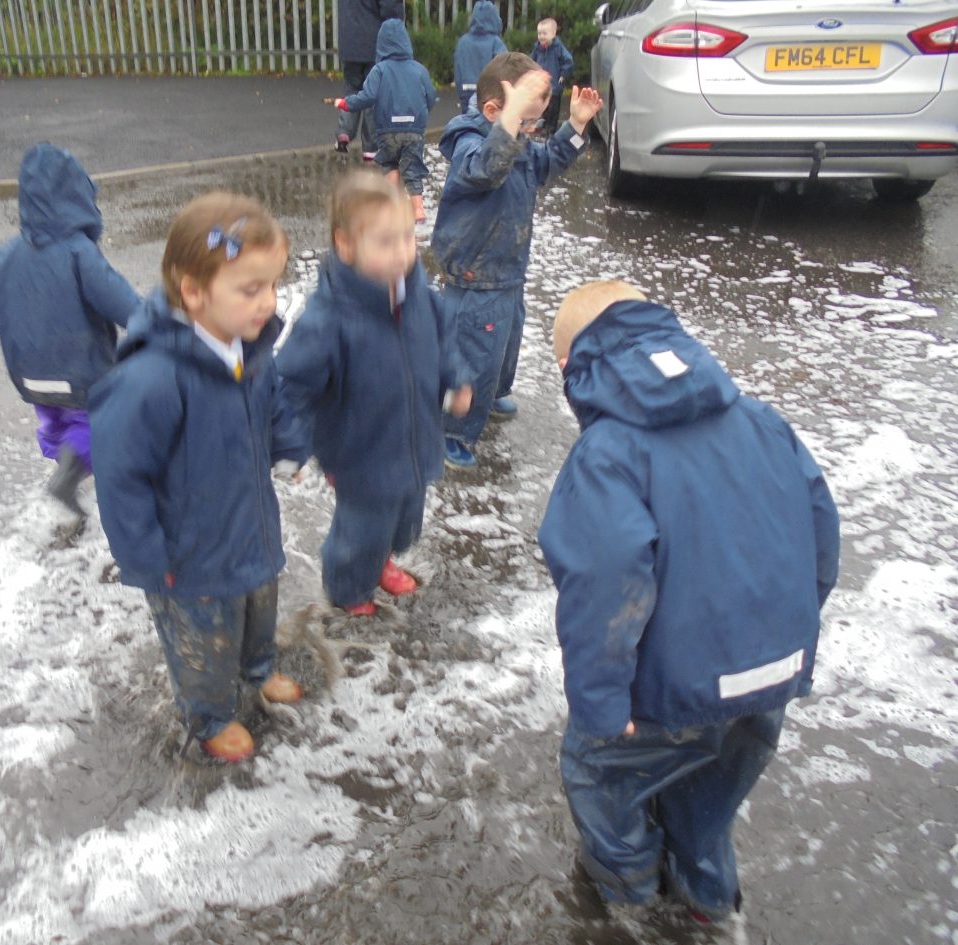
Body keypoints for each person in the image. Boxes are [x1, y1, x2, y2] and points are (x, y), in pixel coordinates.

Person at [537, 280, 841, 923]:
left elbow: (607, 586)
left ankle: (629, 902)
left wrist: (602, 703)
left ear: (569, 366)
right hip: (770, 679)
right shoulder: (764, 422)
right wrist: (790, 634)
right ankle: (706, 901)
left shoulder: (607, 454)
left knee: (600, 774)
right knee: (710, 802)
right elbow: (821, 536)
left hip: (672, 692)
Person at [88, 193, 308, 763]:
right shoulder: (152, 379)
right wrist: (144, 556)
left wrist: (289, 445)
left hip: (250, 526)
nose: (269, 302)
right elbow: (120, 474)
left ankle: (257, 668)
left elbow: (274, 399)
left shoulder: (249, 348)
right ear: (193, 291)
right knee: (202, 640)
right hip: (187, 557)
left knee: (258, 608)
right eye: (250, 289)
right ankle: (209, 714)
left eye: (273, 285)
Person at [276, 170, 472, 616]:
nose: (402, 251)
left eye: (407, 237)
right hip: (359, 455)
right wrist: (289, 446)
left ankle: (380, 559)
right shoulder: (328, 319)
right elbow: (293, 386)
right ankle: (348, 586)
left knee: (404, 520)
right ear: (346, 246)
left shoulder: (418, 295)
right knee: (362, 529)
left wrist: (455, 378)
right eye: (385, 242)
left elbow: (443, 339)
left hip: (414, 440)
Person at [431, 52, 601, 468]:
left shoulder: (517, 141)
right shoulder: (471, 145)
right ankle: (453, 429)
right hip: (476, 276)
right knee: (475, 355)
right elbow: (487, 168)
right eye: (526, 122)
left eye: (534, 124)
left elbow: (546, 163)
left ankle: (491, 394)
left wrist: (576, 125)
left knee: (505, 346)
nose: (530, 132)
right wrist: (512, 122)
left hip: (506, 270)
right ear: (494, 112)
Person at [0, 142, 141, 516]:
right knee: (98, 421)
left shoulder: (6, 254)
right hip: (81, 372)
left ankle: (64, 475)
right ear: (79, 197)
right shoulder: (78, 252)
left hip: (29, 374)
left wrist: (16, 326)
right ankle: (70, 473)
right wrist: (155, 322)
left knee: (54, 418)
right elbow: (122, 303)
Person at [335, 20, 439, 222]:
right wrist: (422, 113)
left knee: (390, 164)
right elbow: (431, 96)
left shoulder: (379, 70)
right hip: (414, 130)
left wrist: (346, 104)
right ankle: (418, 209)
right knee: (413, 169)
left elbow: (367, 96)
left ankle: (391, 205)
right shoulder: (419, 70)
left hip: (387, 130)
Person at [334, 0, 405, 157]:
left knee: (351, 88)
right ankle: (370, 147)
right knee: (373, 96)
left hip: (349, 42)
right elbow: (391, 9)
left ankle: (344, 132)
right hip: (374, 44)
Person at [453, 1, 507, 114]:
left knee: (468, 121)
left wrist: (461, 91)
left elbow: (458, 70)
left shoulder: (463, 41)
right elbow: (504, 67)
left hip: (466, 90)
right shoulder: (496, 42)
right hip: (489, 93)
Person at [529, 17, 575, 134]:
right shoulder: (537, 48)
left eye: (544, 33)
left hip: (554, 84)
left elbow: (568, 61)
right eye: (539, 33)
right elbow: (531, 61)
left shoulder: (558, 48)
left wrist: (563, 74)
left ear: (553, 34)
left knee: (553, 108)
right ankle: (543, 125)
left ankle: (551, 128)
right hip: (541, 84)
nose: (541, 36)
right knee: (542, 105)